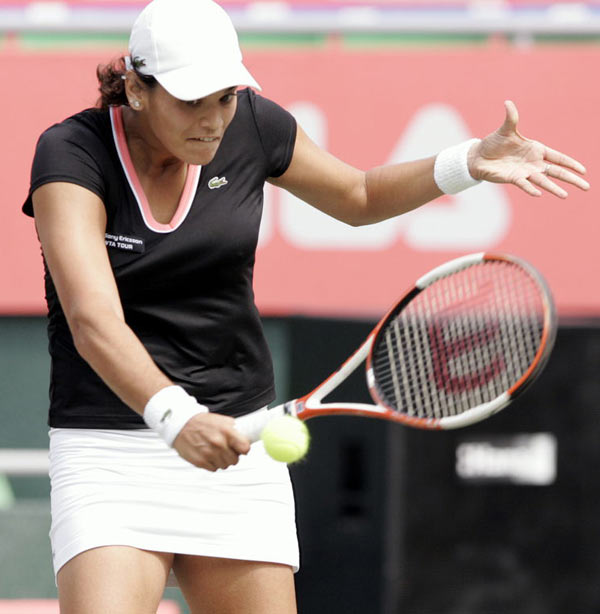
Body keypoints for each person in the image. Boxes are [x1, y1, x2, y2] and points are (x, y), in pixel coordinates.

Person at [23, 0, 589, 612]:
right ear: (136, 88)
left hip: (237, 443)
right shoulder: (70, 155)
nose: (214, 120)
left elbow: (359, 195)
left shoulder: (255, 127)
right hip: (112, 448)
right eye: (191, 101)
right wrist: (176, 417)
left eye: (226, 97)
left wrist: (466, 163)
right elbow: (91, 319)